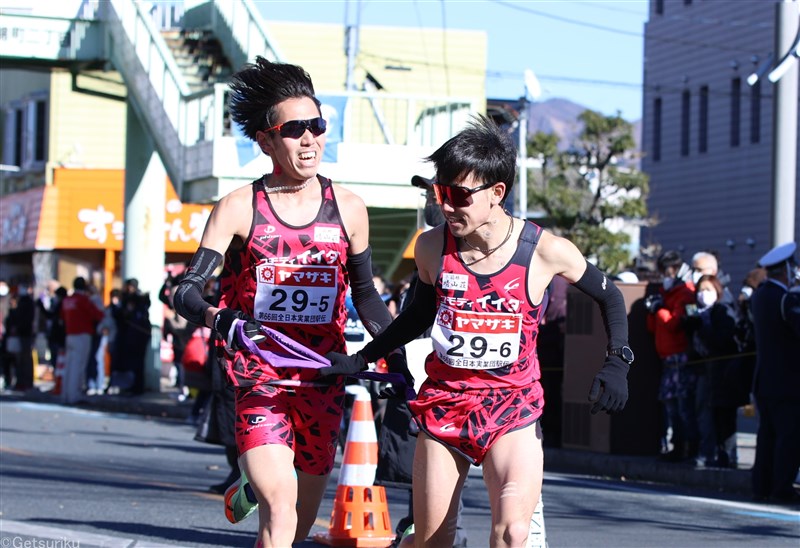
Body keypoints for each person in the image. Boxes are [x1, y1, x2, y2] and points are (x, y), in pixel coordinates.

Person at [323, 116, 632, 548]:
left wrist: (618, 361)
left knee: (513, 533)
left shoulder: (544, 250)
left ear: (497, 194)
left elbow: (611, 296)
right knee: (432, 541)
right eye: (439, 193)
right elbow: (418, 316)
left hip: (513, 409)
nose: (446, 206)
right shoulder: (432, 246)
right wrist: (364, 357)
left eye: (458, 195)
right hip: (445, 407)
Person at [173, 57, 409, 546]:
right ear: (265, 141)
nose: (310, 139)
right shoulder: (240, 208)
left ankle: (252, 477)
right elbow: (184, 291)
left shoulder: (349, 208)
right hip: (260, 378)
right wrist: (223, 320)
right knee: (280, 513)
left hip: (322, 377)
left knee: (295, 529)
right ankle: (257, 468)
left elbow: (366, 296)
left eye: (318, 126)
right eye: (294, 129)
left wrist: (396, 354)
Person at [750, 242, 800, 504]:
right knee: (788, 436)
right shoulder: (785, 299)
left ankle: (761, 486)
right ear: (787, 270)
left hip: (765, 378)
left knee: (767, 435)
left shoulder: (759, 296)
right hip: (789, 380)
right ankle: (782, 487)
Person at [683, 274, 742, 467]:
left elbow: (724, 341)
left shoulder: (723, 311)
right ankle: (708, 452)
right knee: (704, 412)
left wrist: (704, 328)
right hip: (703, 369)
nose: (702, 295)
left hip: (723, 370)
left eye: (707, 290)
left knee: (724, 414)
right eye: (700, 290)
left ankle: (727, 455)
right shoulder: (698, 312)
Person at [645, 250, 697, 462]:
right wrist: (654, 310)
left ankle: (689, 448)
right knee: (670, 405)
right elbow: (653, 327)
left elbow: (674, 323)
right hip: (667, 357)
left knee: (683, 406)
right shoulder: (667, 294)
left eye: (667, 271)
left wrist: (659, 309)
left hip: (680, 357)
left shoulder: (685, 293)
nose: (665, 276)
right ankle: (676, 447)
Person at [60, 277, 105, 404]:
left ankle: (65, 394)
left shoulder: (67, 300)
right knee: (78, 366)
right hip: (82, 335)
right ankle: (75, 395)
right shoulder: (83, 300)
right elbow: (98, 315)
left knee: (68, 366)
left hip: (69, 334)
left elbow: (62, 317)